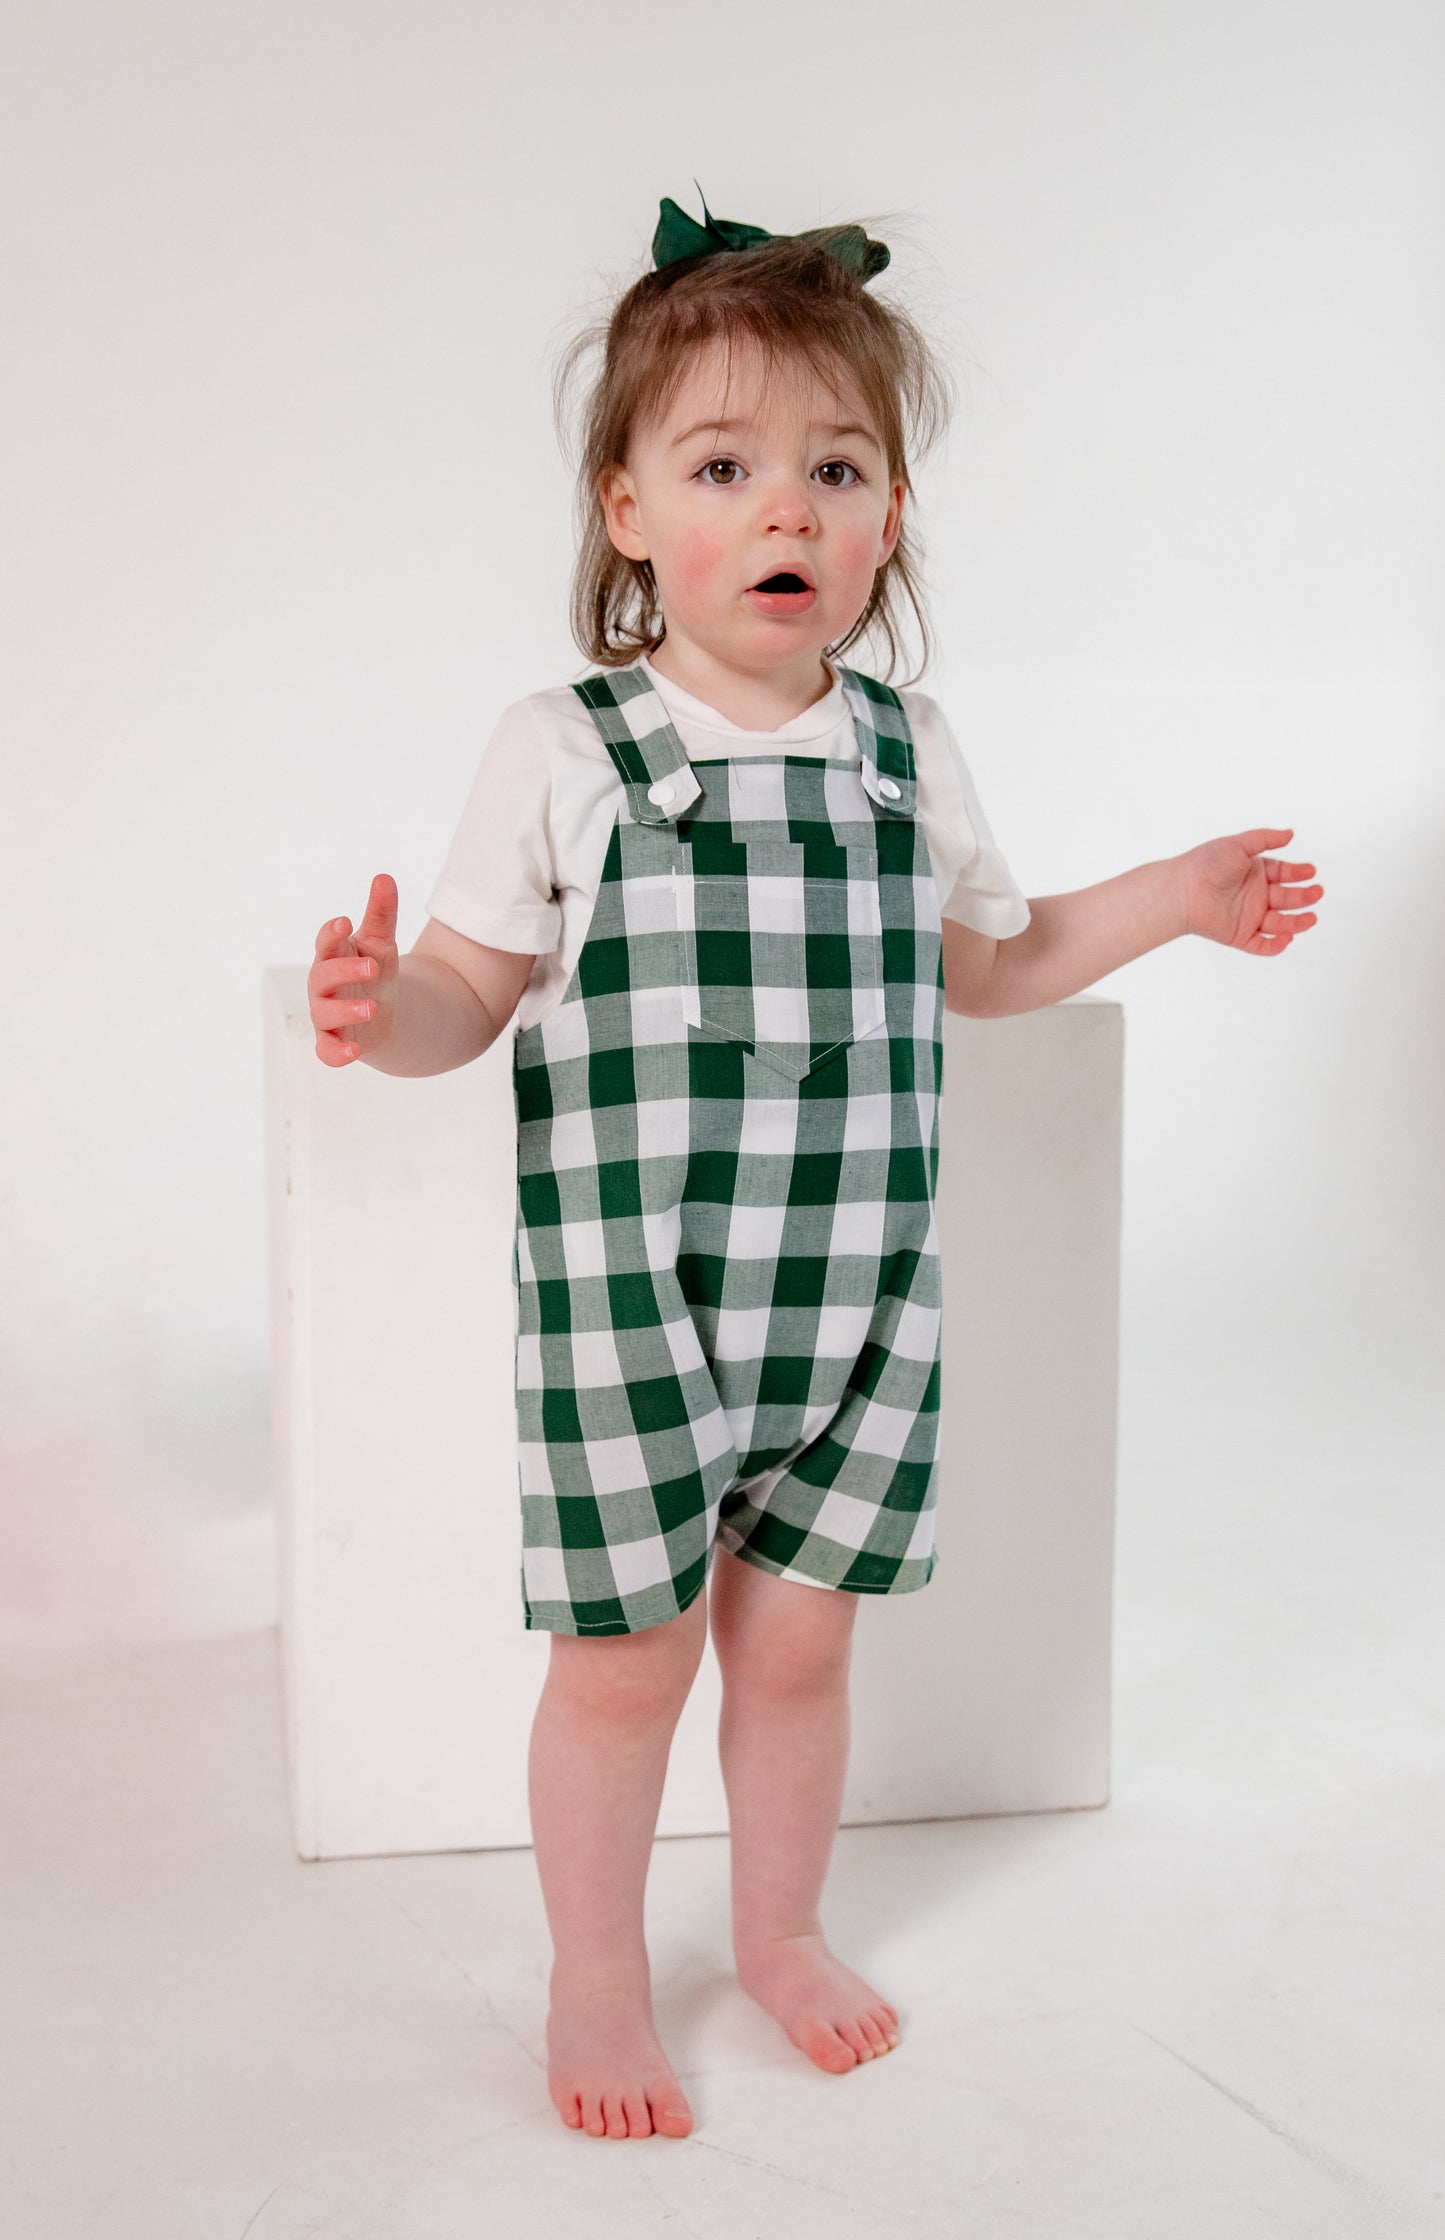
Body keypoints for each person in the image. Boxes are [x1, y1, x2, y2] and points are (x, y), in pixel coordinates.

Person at [305, 192, 1324, 2143]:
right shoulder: (572, 748)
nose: (788, 509)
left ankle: (777, 1927)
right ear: (626, 513)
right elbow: (466, 987)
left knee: (798, 1651)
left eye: (835, 469)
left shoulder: (902, 751)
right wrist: (383, 1012)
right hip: (638, 1305)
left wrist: (1180, 899)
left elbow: (992, 965)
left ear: (887, 525)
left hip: (855, 1307)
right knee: (625, 1666)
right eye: (727, 465)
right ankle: (597, 1968)